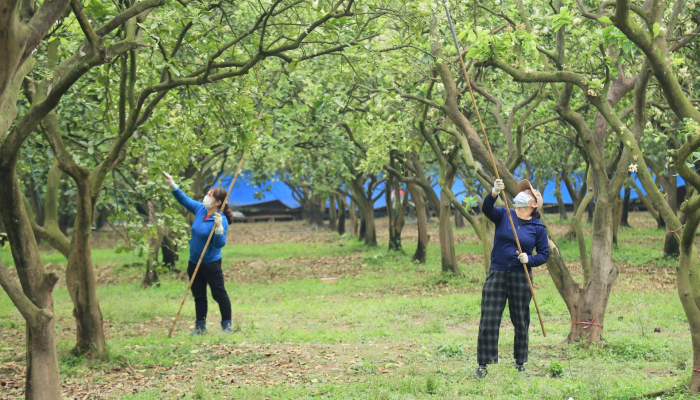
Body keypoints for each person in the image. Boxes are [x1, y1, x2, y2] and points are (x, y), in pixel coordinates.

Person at [476, 178, 549, 379]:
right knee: (489, 317)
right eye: (523, 190)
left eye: (528, 192)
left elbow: (544, 254)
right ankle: (484, 364)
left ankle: (520, 364)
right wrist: (493, 193)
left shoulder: (538, 227)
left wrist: (530, 258)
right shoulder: (504, 214)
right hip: (497, 273)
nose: (523, 192)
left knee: (520, 319)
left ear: (534, 204)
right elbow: (486, 209)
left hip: (520, 276)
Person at [162, 172, 235, 334]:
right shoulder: (201, 210)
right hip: (194, 261)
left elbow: (219, 244)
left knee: (219, 294)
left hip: (210, 263)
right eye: (207, 193)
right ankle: (200, 328)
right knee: (199, 295)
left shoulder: (220, 218)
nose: (206, 197)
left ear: (218, 202)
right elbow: (184, 200)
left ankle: (227, 327)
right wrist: (172, 183)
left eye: (210, 195)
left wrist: (218, 228)